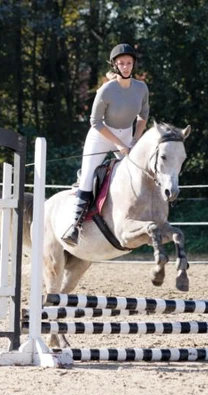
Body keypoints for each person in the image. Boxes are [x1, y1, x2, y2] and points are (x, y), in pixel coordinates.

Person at [62, 43, 150, 246]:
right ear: (115, 65)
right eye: (122, 63)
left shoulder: (141, 88)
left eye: (129, 63)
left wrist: (135, 139)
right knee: (87, 177)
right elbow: (95, 122)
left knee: (139, 172)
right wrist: (119, 144)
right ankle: (74, 226)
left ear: (133, 64)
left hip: (127, 133)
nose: (126, 67)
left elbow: (143, 116)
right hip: (101, 135)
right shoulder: (106, 90)